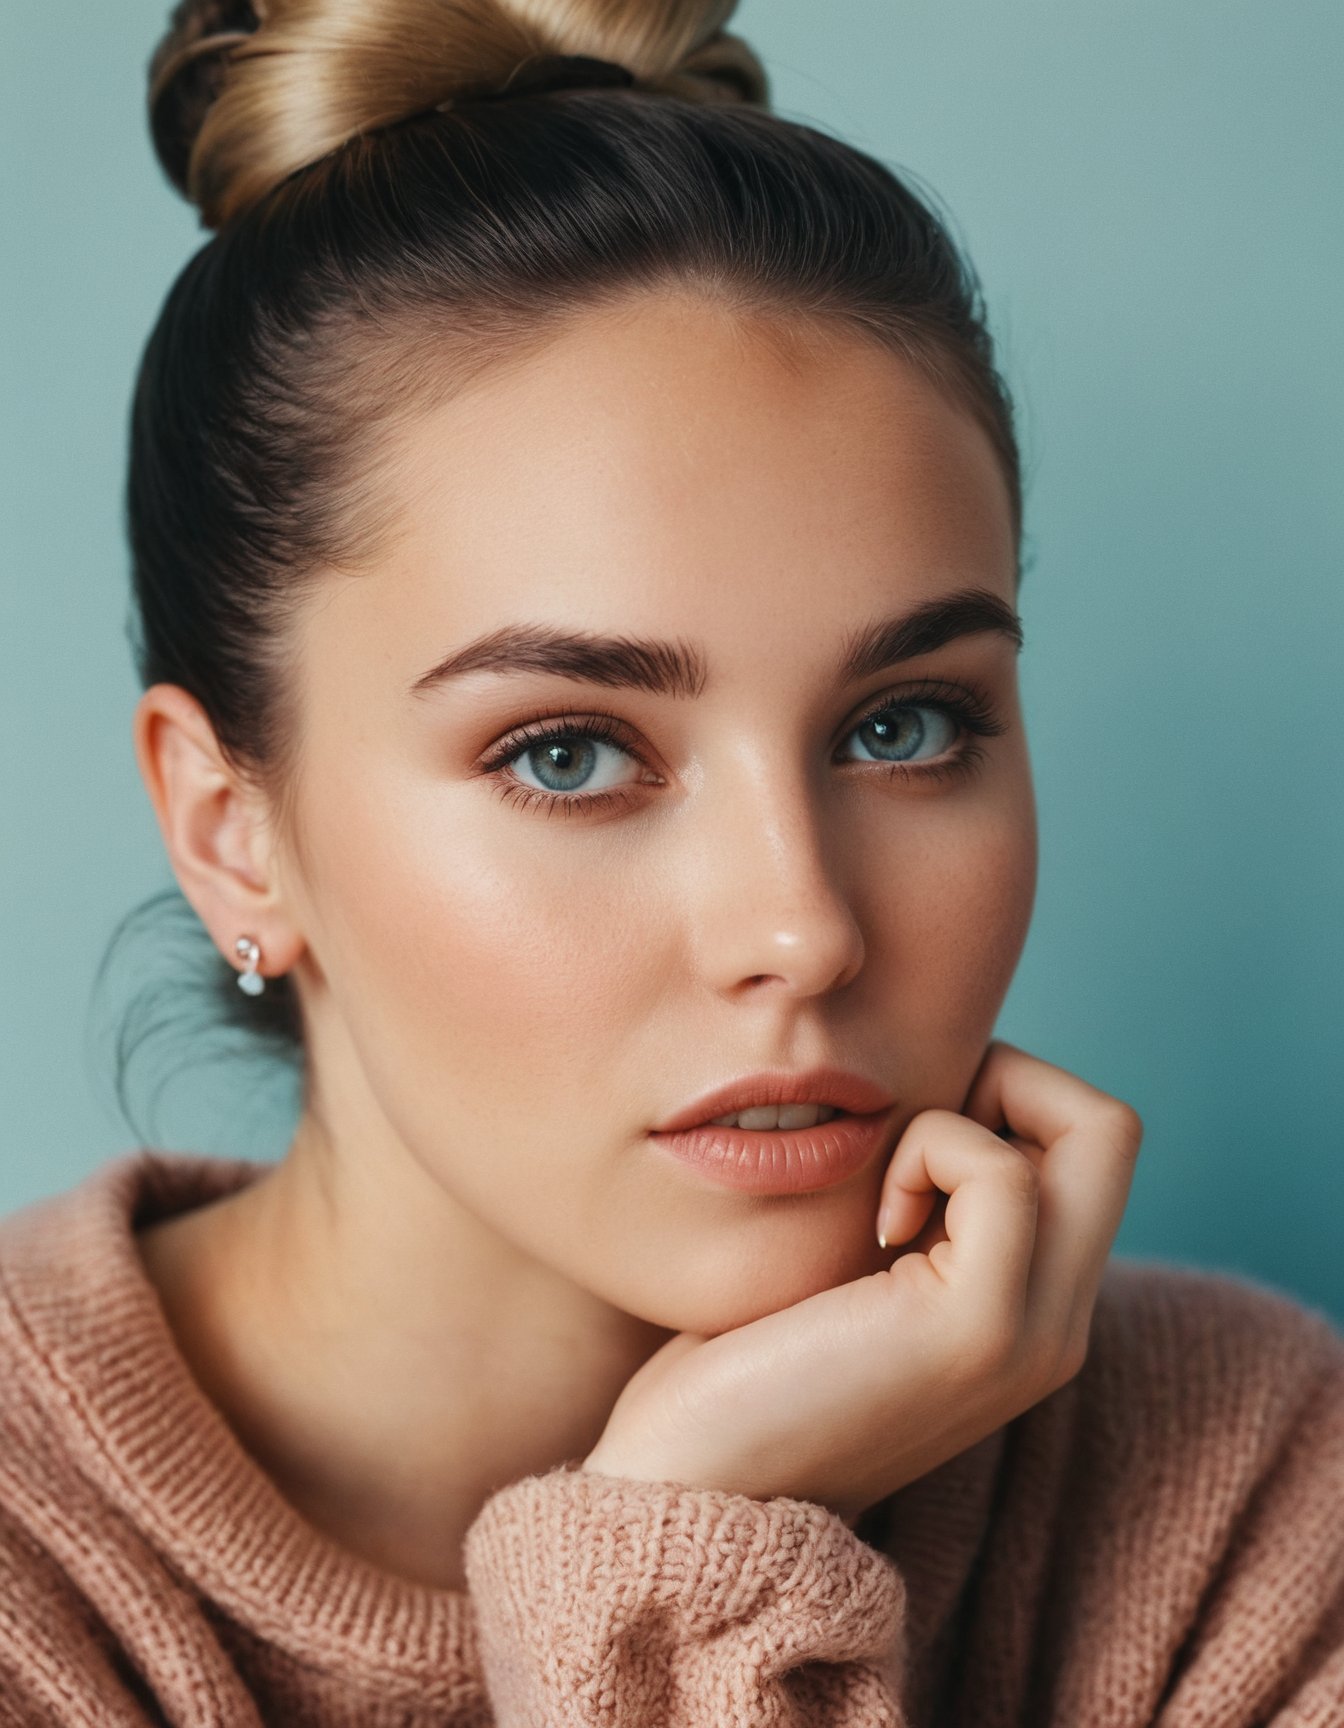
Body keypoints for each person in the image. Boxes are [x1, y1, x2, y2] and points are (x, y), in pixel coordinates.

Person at [2, 1, 1342, 1721]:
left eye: (905, 726)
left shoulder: (1229, 1489)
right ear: (230, 830)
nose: (802, 928)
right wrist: (682, 1582)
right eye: (568, 753)